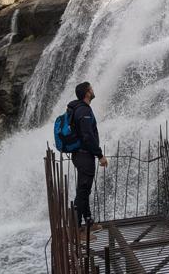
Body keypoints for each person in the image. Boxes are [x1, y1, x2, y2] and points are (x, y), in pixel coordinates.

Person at [68, 81, 108, 240]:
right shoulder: (83, 110)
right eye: (91, 88)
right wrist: (100, 155)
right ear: (86, 93)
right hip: (84, 155)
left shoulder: (79, 108)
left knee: (84, 190)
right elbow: (87, 136)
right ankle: (77, 231)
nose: (93, 90)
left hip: (81, 155)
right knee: (83, 191)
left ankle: (88, 221)